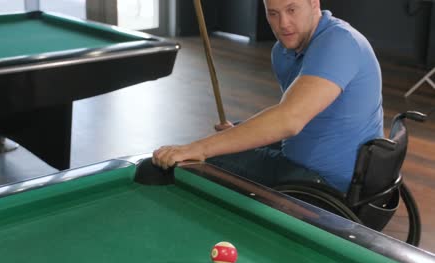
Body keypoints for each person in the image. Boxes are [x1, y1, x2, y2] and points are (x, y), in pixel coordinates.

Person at [153, 0, 383, 193]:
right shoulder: (283, 52)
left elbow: (289, 120)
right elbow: (295, 115)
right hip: (297, 158)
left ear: (314, 3)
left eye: (291, 10)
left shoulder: (339, 42)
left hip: (326, 183)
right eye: (273, 14)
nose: (283, 24)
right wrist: (237, 133)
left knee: (196, 164)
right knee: (226, 143)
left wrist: (199, 148)